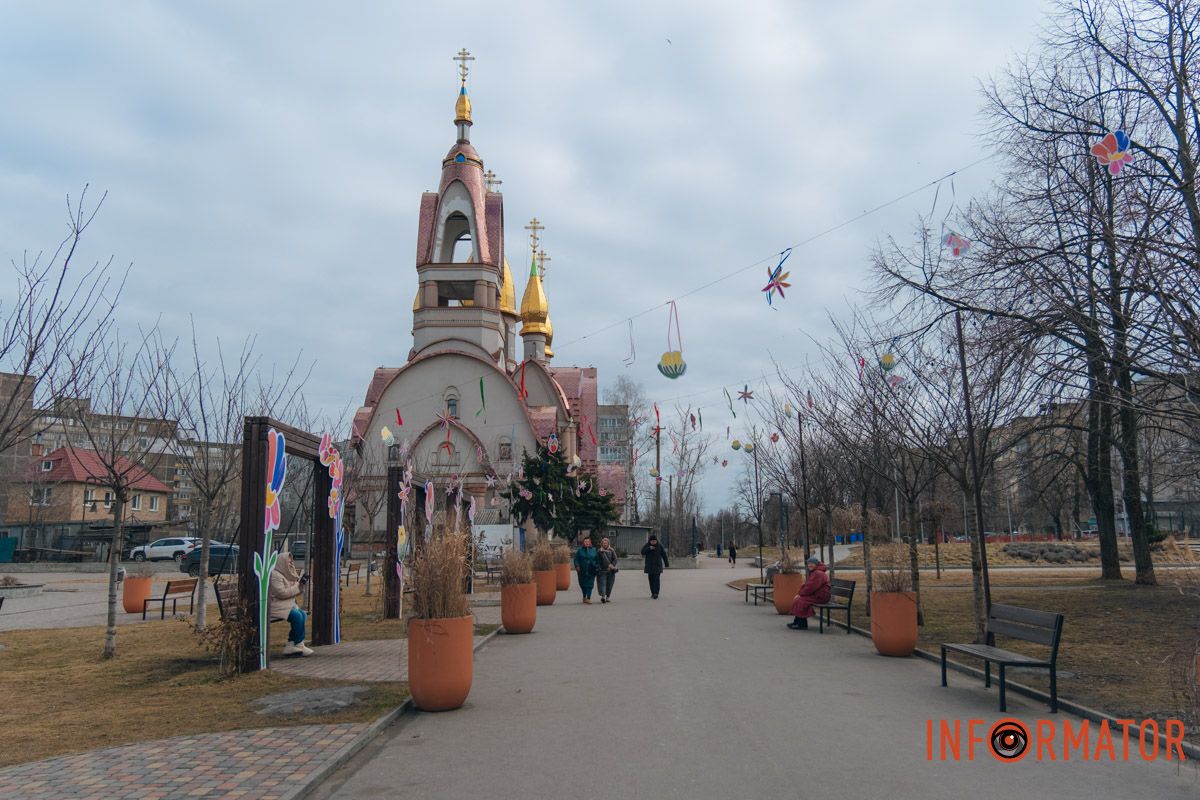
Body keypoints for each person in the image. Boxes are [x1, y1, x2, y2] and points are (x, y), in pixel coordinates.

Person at [269, 548, 314, 655]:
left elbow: (293, 592)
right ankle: (296, 643)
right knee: (297, 616)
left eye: (291, 562)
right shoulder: (275, 575)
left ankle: (295, 643)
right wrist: (298, 587)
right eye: (288, 562)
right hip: (275, 606)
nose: (290, 564)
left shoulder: (287, 574)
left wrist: (300, 585)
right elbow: (282, 593)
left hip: (285, 604)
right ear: (281, 562)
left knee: (303, 614)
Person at [787, 556, 831, 630]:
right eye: (808, 564)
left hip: (821, 597)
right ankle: (797, 622)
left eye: (811, 563)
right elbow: (808, 586)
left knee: (801, 601)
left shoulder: (818, 573)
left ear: (816, 564)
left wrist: (800, 594)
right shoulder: (816, 572)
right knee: (800, 600)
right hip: (817, 595)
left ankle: (802, 624)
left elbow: (810, 588)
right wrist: (799, 594)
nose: (809, 565)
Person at [573, 535, 600, 604]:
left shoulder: (594, 550)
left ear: (590, 542)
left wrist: (597, 566)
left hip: (591, 570)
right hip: (582, 570)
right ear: (583, 542)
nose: (587, 543)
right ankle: (584, 596)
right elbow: (576, 559)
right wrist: (577, 566)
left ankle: (588, 598)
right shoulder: (579, 550)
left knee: (590, 585)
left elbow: (597, 560)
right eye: (585, 541)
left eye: (588, 541)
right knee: (582, 584)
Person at [641, 534, 669, 599]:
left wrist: (666, 564)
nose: (653, 542)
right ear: (650, 541)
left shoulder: (660, 546)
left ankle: (656, 593)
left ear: (656, 541)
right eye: (652, 541)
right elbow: (642, 552)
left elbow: (664, 555)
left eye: (654, 541)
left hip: (657, 566)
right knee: (651, 580)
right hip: (649, 566)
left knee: (656, 580)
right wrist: (649, 548)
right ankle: (653, 593)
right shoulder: (647, 545)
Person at [596, 537, 619, 603]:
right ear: (601, 544)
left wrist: (611, 566)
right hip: (602, 570)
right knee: (602, 584)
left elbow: (615, 559)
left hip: (611, 571)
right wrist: (599, 567)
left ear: (608, 543)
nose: (605, 544)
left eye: (606, 543)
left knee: (610, 584)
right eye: (603, 543)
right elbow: (598, 560)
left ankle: (608, 597)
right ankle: (603, 597)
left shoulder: (612, 550)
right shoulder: (599, 551)